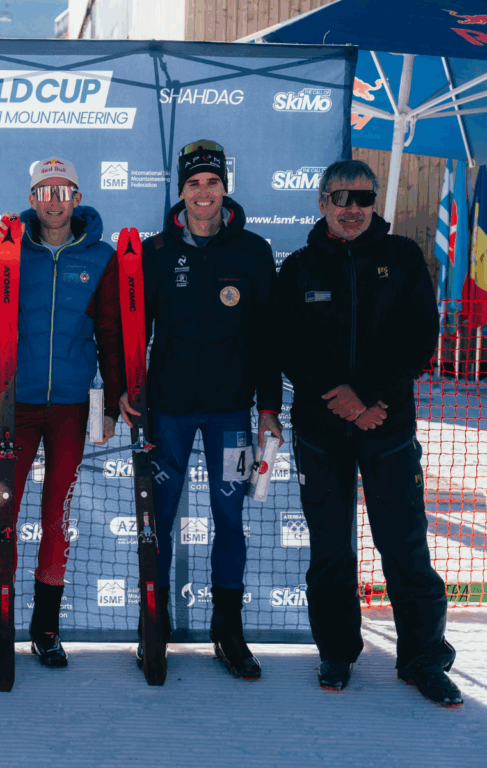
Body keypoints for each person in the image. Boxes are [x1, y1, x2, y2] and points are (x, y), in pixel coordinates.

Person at [275, 159, 461, 706]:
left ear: (375, 203)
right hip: (321, 429)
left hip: (388, 425)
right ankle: (336, 652)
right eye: (341, 198)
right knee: (331, 548)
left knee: (405, 543)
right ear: (321, 203)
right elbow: (287, 345)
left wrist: (370, 399)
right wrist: (341, 397)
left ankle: (424, 658)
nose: (352, 209)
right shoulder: (299, 267)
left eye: (363, 198)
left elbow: (420, 337)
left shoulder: (402, 257)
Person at [119, 140, 282, 680]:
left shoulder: (253, 252)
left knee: (230, 519)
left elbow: (267, 338)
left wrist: (268, 408)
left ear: (225, 188)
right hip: (167, 412)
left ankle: (227, 632)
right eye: (194, 183)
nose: (204, 193)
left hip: (230, 413)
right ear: (181, 191)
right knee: (158, 520)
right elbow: (132, 330)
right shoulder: (155, 251)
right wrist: (127, 389)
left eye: (212, 182)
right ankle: (154, 626)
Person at [0, 156, 122, 676]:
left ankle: (45, 631)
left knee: (57, 515)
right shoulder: (12, 249)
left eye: (63, 191)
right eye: (44, 191)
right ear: (32, 199)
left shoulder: (100, 256)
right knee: (2, 516)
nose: (54, 201)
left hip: (71, 407)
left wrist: (113, 401)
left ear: (77, 197)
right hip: (17, 405)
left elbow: (110, 333)